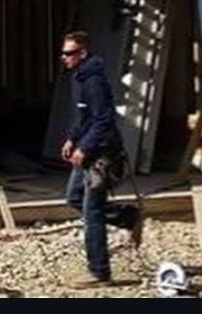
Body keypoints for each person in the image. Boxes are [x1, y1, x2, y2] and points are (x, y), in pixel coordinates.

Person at [59, 30, 143, 287]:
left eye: (69, 53)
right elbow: (83, 116)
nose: (64, 57)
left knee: (92, 211)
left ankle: (99, 272)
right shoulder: (79, 77)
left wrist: (84, 147)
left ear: (82, 53)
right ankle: (128, 217)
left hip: (102, 154)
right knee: (74, 197)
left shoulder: (93, 80)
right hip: (88, 150)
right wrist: (73, 138)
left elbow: (104, 120)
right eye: (63, 53)